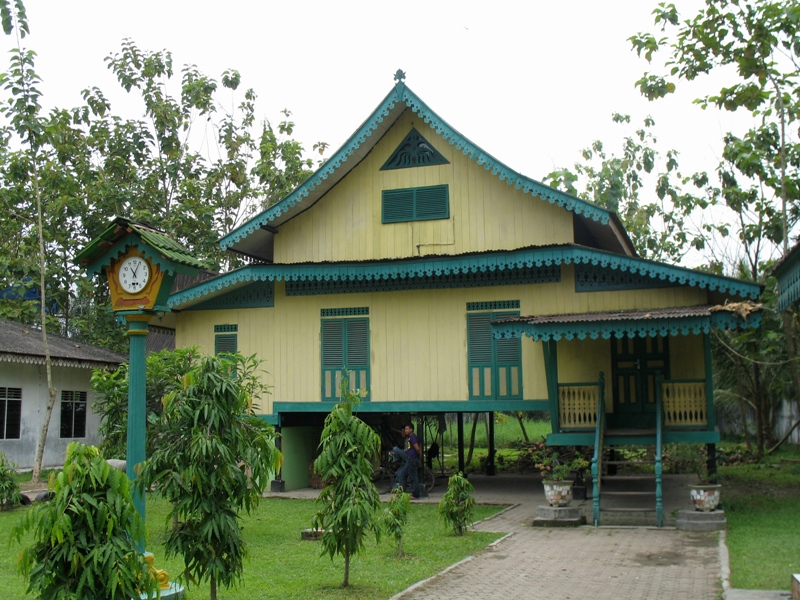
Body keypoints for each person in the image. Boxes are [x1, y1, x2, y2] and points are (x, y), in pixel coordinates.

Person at [393, 423, 421, 498]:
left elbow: (418, 448)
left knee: (413, 477)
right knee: (403, 475)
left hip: (412, 459)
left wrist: (418, 458)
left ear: (411, 430)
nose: (405, 431)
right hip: (410, 459)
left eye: (406, 429)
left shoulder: (412, 437)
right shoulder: (410, 438)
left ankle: (415, 494)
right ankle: (401, 493)